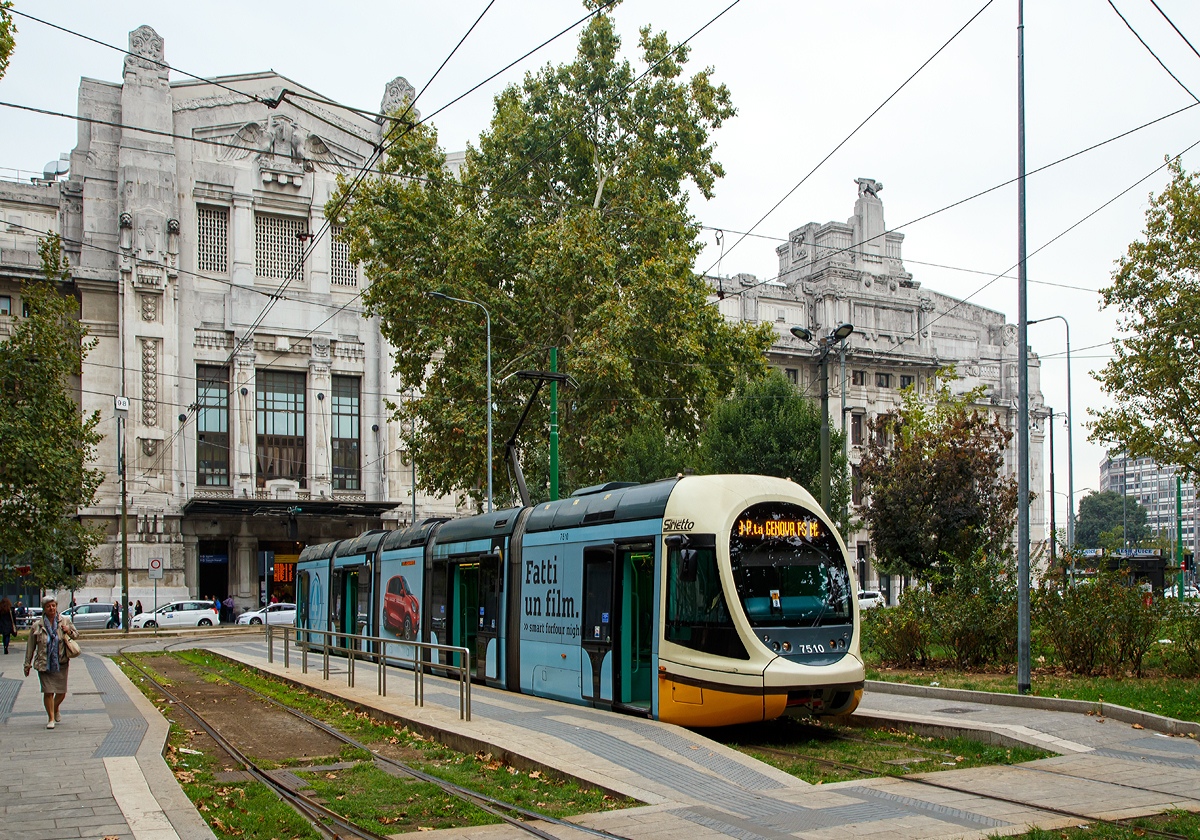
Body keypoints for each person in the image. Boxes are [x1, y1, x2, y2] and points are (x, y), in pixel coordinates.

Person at [24, 595, 78, 729]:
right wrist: (27, 664)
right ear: (44, 608)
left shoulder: (65, 621)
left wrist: (68, 631)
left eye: (53, 605)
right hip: (44, 663)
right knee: (48, 691)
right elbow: (30, 646)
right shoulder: (37, 626)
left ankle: (55, 708)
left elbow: (76, 635)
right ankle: (51, 718)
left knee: (61, 692)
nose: (51, 608)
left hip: (61, 662)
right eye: (48, 606)